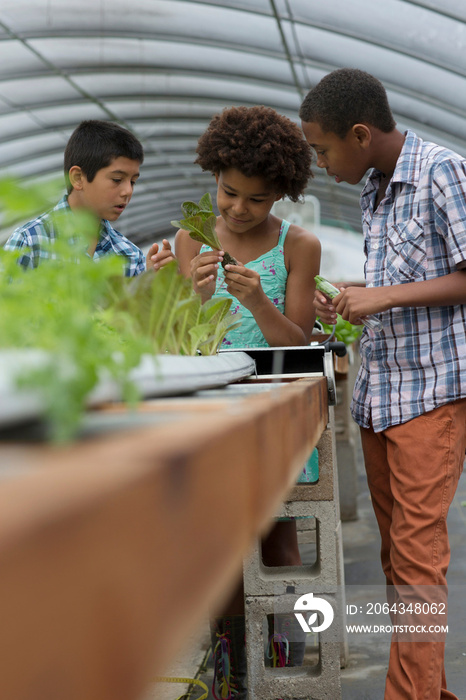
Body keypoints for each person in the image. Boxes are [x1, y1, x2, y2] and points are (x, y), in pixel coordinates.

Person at [300, 68, 466, 700]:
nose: (319, 163)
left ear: (361, 133)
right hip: (382, 397)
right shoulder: (375, 185)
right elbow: (398, 287)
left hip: (431, 393)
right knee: (401, 562)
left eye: (323, 149)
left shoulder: (442, 171)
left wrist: (384, 296)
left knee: (419, 559)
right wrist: (352, 297)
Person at [175, 105, 321, 699]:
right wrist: (194, 295)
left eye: (256, 200)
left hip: (276, 413)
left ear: (280, 195)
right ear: (213, 177)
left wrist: (259, 304)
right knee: (222, 545)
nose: (237, 209)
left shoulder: (298, 245)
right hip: (214, 414)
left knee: (279, 539)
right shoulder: (192, 239)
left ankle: (285, 662)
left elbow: (300, 341)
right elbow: (184, 340)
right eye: (229, 193)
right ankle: (229, 672)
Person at [4, 119, 174, 274]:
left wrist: (151, 284)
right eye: (117, 179)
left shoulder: (130, 255)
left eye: (133, 182)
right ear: (78, 178)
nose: (128, 191)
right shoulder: (30, 241)